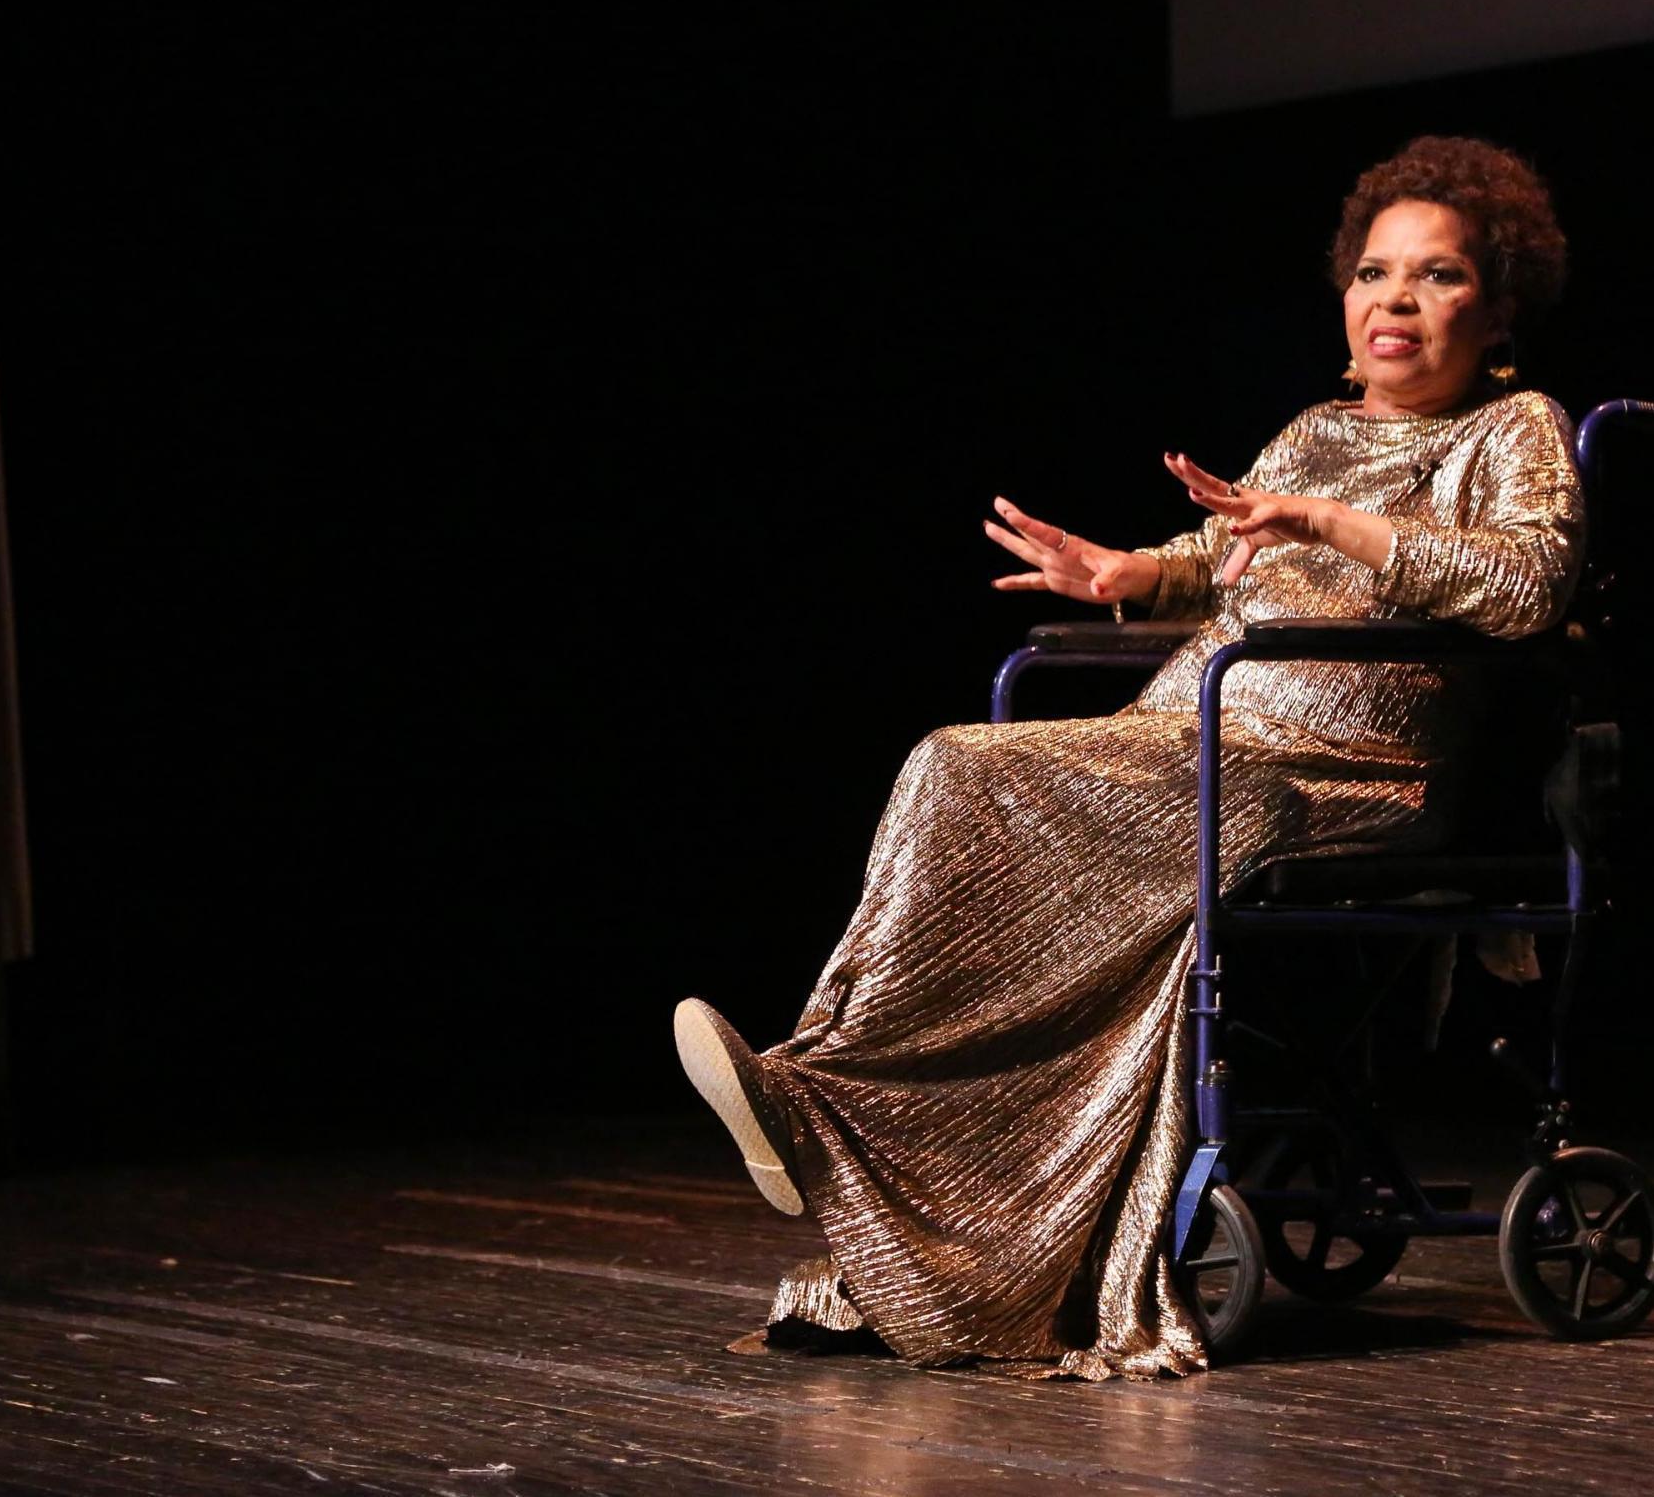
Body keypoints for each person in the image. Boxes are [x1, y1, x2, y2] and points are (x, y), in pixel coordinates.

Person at [674, 135, 1583, 1381]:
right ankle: (833, 1089)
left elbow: (1527, 584)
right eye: (1376, 274)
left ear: (1499, 303)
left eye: (1438, 278)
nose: (1396, 302)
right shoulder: (1315, 426)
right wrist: (1130, 575)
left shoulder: (1512, 427)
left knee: (1069, 796)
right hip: (1195, 733)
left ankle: (848, 1116)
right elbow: (1224, 553)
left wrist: (1330, 521)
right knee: (956, 761)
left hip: (1339, 772)